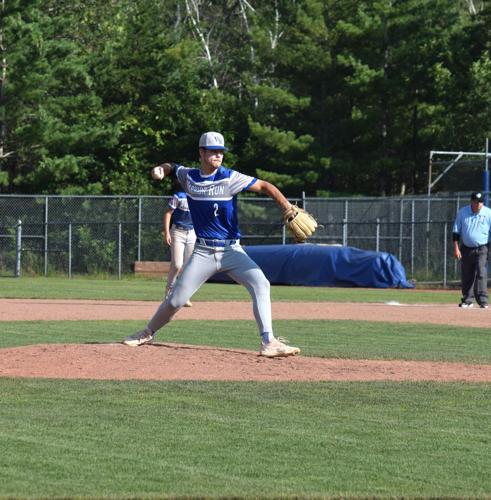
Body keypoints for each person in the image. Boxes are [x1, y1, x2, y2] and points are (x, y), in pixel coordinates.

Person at [123, 131, 300, 357]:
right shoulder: (190, 177)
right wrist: (160, 169)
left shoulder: (229, 177)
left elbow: (265, 186)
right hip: (204, 251)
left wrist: (286, 206)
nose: (218, 155)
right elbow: (173, 166)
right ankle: (147, 332)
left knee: (261, 284)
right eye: (213, 151)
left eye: (221, 151)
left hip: (232, 250)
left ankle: (268, 341)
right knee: (176, 299)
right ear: (201, 152)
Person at [452, 191, 491, 308]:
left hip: (482, 248)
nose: (479, 204)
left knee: (481, 271)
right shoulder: (463, 212)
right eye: (476, 202)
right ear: (472, 202)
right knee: (467, 274)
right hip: (466, 248)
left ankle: (483, 301)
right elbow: (456, 232)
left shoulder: (488, 213)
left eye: (481, 202)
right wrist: (456, 248)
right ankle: (467, 300)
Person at [163, 191, 196, 307]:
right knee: (177, 264)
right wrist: (167, 233)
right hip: (177, 231)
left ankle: (184, 296)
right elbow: (168, 213)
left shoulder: (200, 196)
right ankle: (169, 292)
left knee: (189, 266)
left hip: (192, 233)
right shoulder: (179, 196)